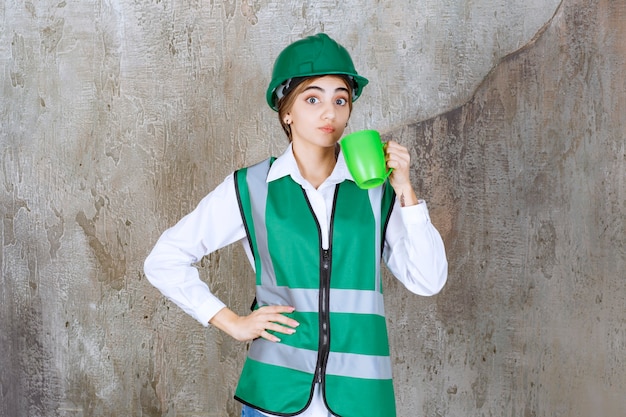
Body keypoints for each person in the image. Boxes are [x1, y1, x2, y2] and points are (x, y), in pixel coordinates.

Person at [144, 33, 448, 417]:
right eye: (312, 98)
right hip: (275, 397)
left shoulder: (376, 192)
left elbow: (429, 279)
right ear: (285, 111)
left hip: (361, 400)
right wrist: (233, 323)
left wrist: (406, 191)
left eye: (341, 99)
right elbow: (164, 259)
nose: (330, 113)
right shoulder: (251, 188)